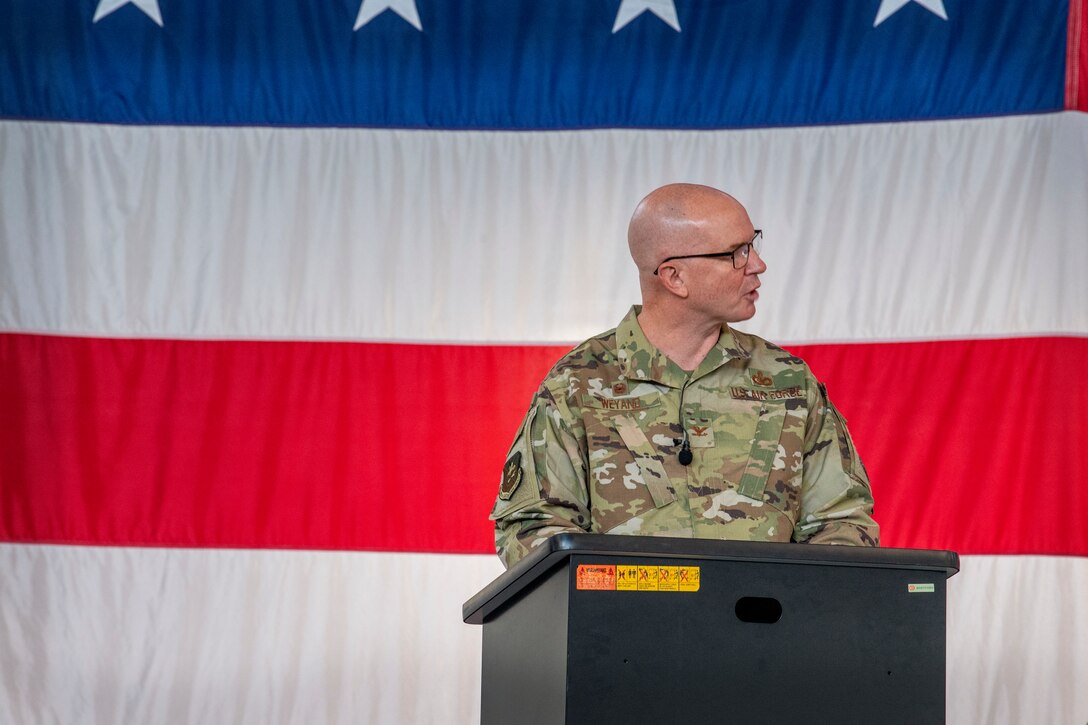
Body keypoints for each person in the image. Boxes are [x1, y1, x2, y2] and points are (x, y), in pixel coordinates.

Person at [491, 183, 878, 568]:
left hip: (766, 609)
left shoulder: (788, 381)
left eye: (753, 244)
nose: (757, 265)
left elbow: (842, 523)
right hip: (625, 609)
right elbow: (532, 530)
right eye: (736, 253)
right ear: (674, 277)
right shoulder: (577, 385)